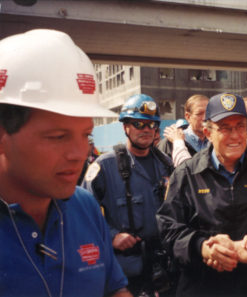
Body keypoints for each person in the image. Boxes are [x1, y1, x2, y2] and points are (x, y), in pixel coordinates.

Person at [0, 29, 131, 297]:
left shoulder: (84, 207)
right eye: (58, 137)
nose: (78, 153)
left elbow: (114, 290)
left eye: (86, 135)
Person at [156, 93, 247, 297]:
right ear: (207, 132)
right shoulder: (187, 174)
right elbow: (168, 229)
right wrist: (201, 247)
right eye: (225, 128)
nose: (235, 135)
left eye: (240, 126)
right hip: (202, 286)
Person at [82, 94, 174, 296]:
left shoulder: (166, 164)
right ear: (125, 127)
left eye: (152, 125)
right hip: (126, 272)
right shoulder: (105, 167)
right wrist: (112, 236)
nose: (147, 130)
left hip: (164, 267)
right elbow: (82, 215)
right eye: (139, 124)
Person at [157, 94, 209, 159]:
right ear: (188, 116)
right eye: (199, 114)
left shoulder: (216, 141)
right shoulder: (170, 143)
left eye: (208, 113)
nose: (205, 118)